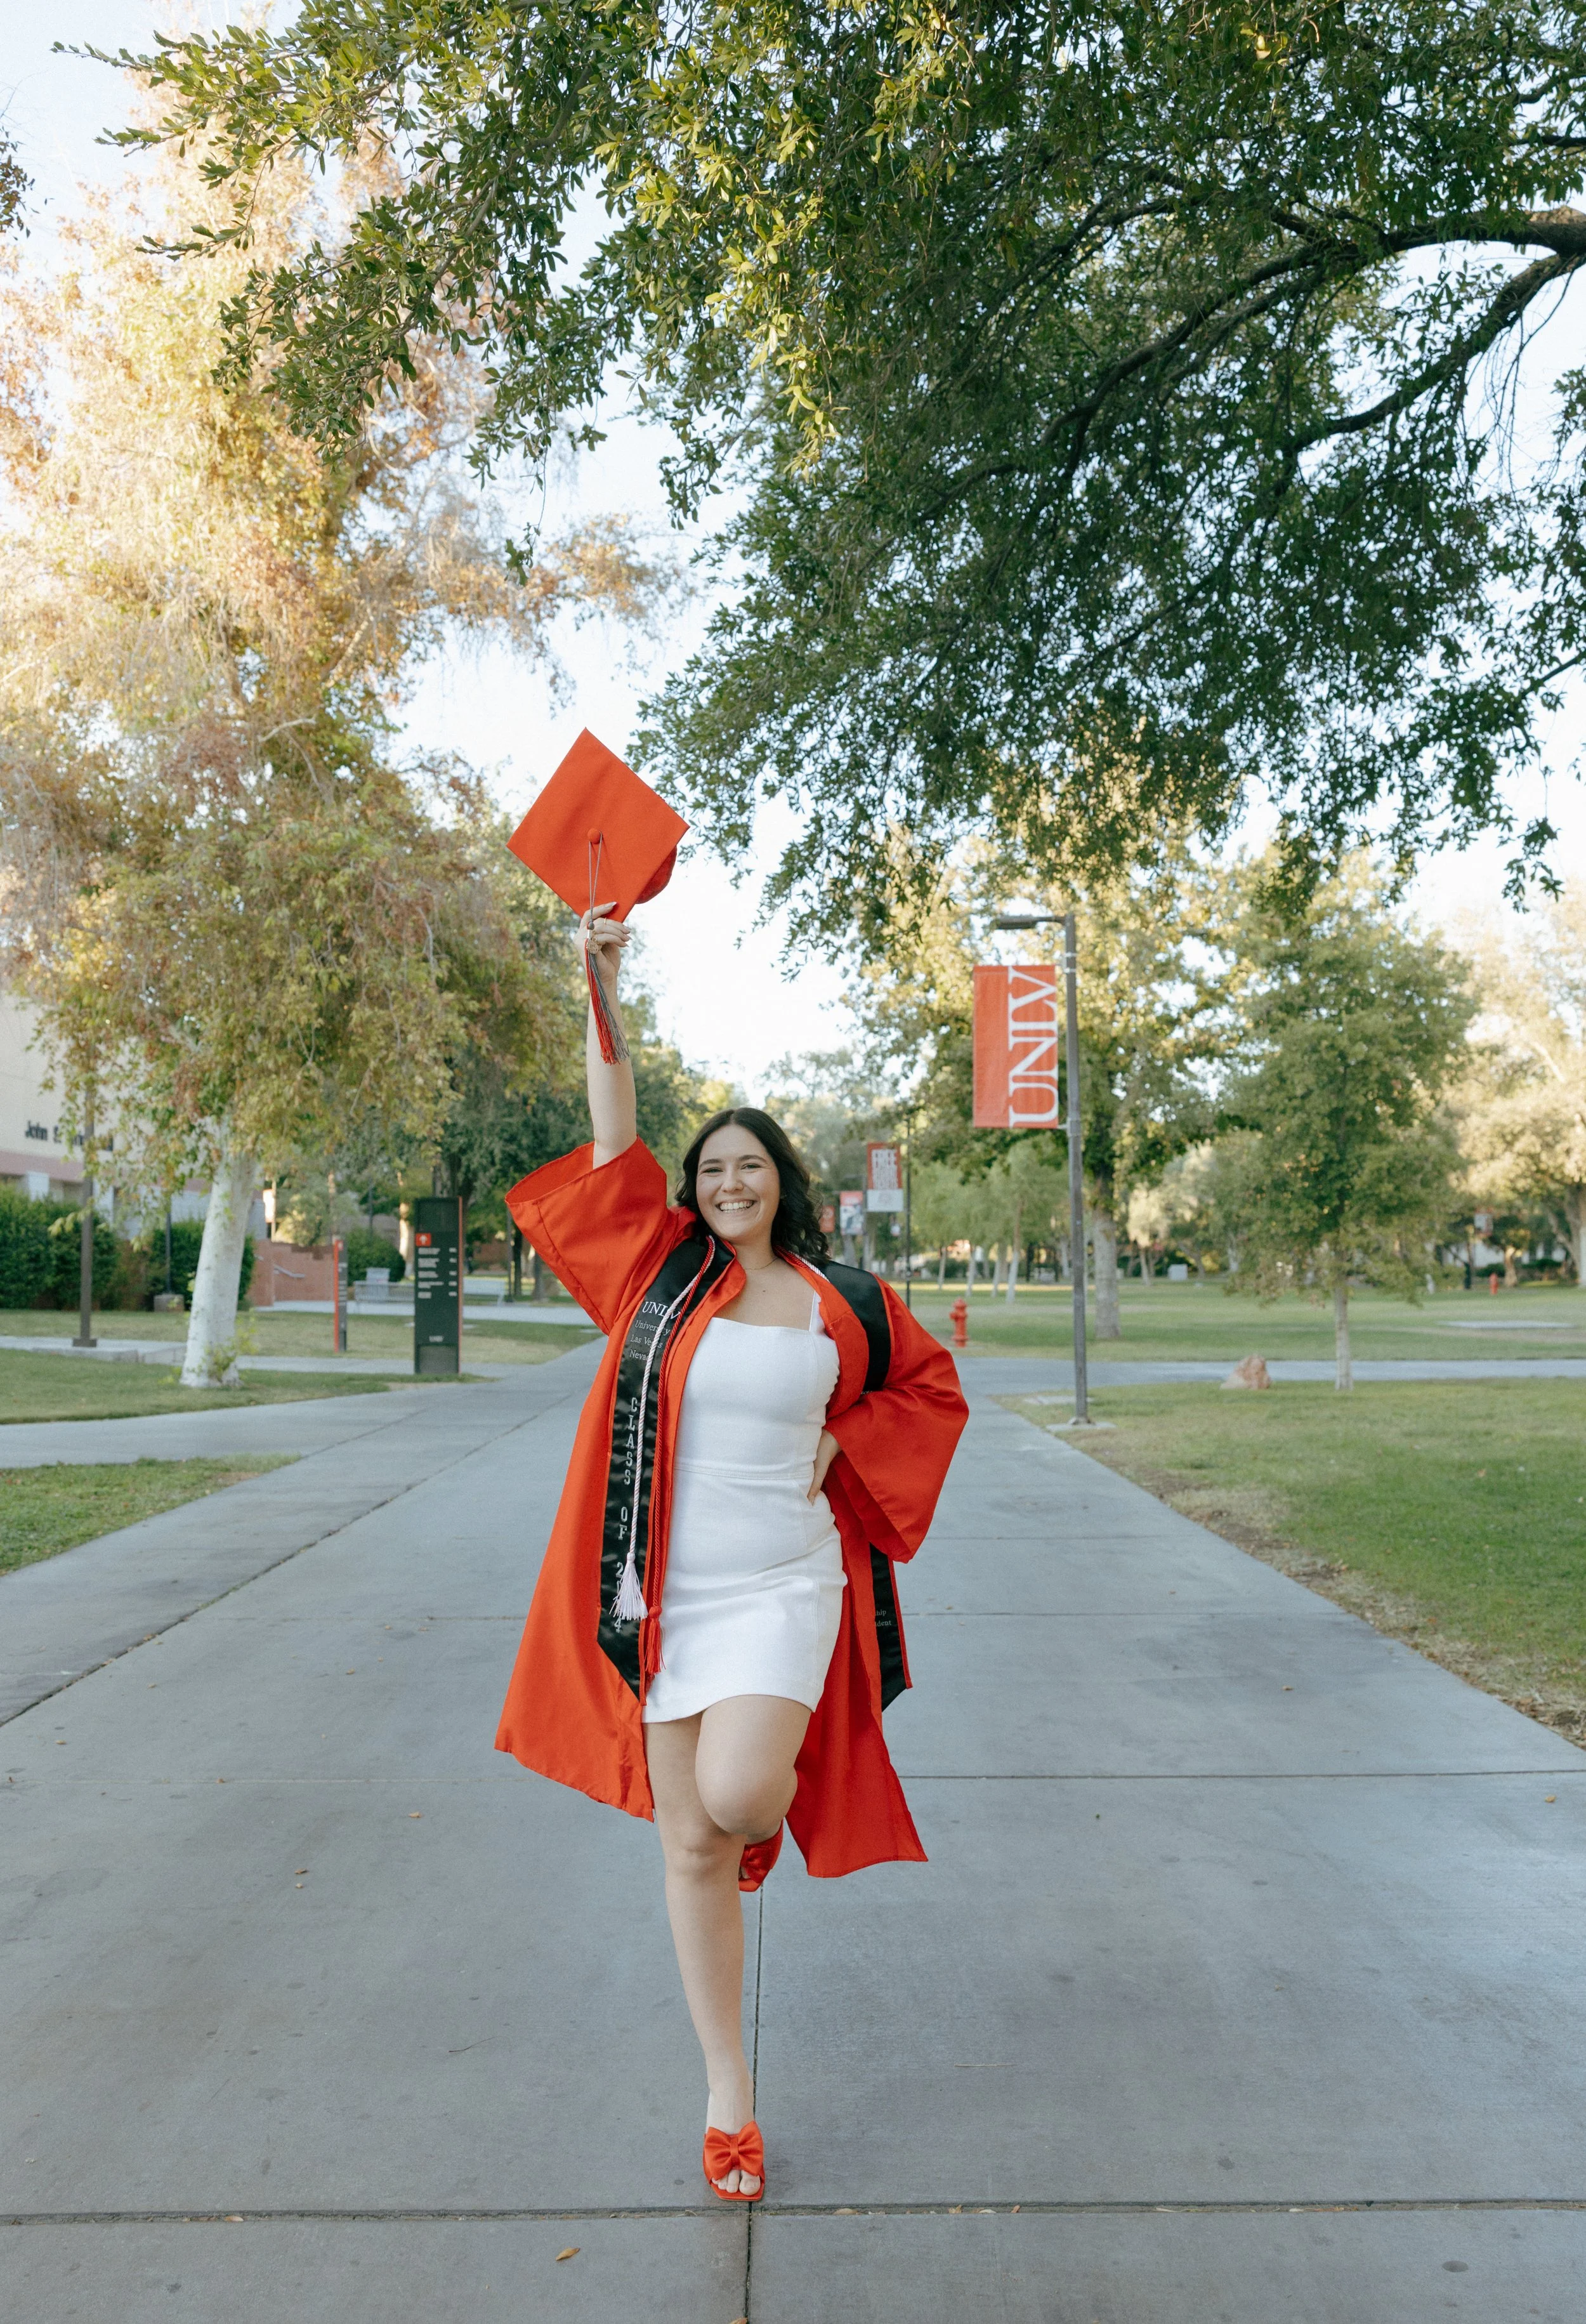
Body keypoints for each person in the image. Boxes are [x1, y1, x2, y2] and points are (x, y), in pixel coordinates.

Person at [496, 902, 967, 2202]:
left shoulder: (843, 1304)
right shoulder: (661, 1279)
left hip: (782, 1584)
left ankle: (755, 1821)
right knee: (689, 1848)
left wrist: (849, 1441)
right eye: (709, 1171)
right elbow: (610, 1138)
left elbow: (928, 1395)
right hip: (662, 1599)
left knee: (741, 1800)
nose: (726, 1184)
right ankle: (727, 2099)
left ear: (782, 1182)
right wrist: (597, 982)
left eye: (748, 1167)